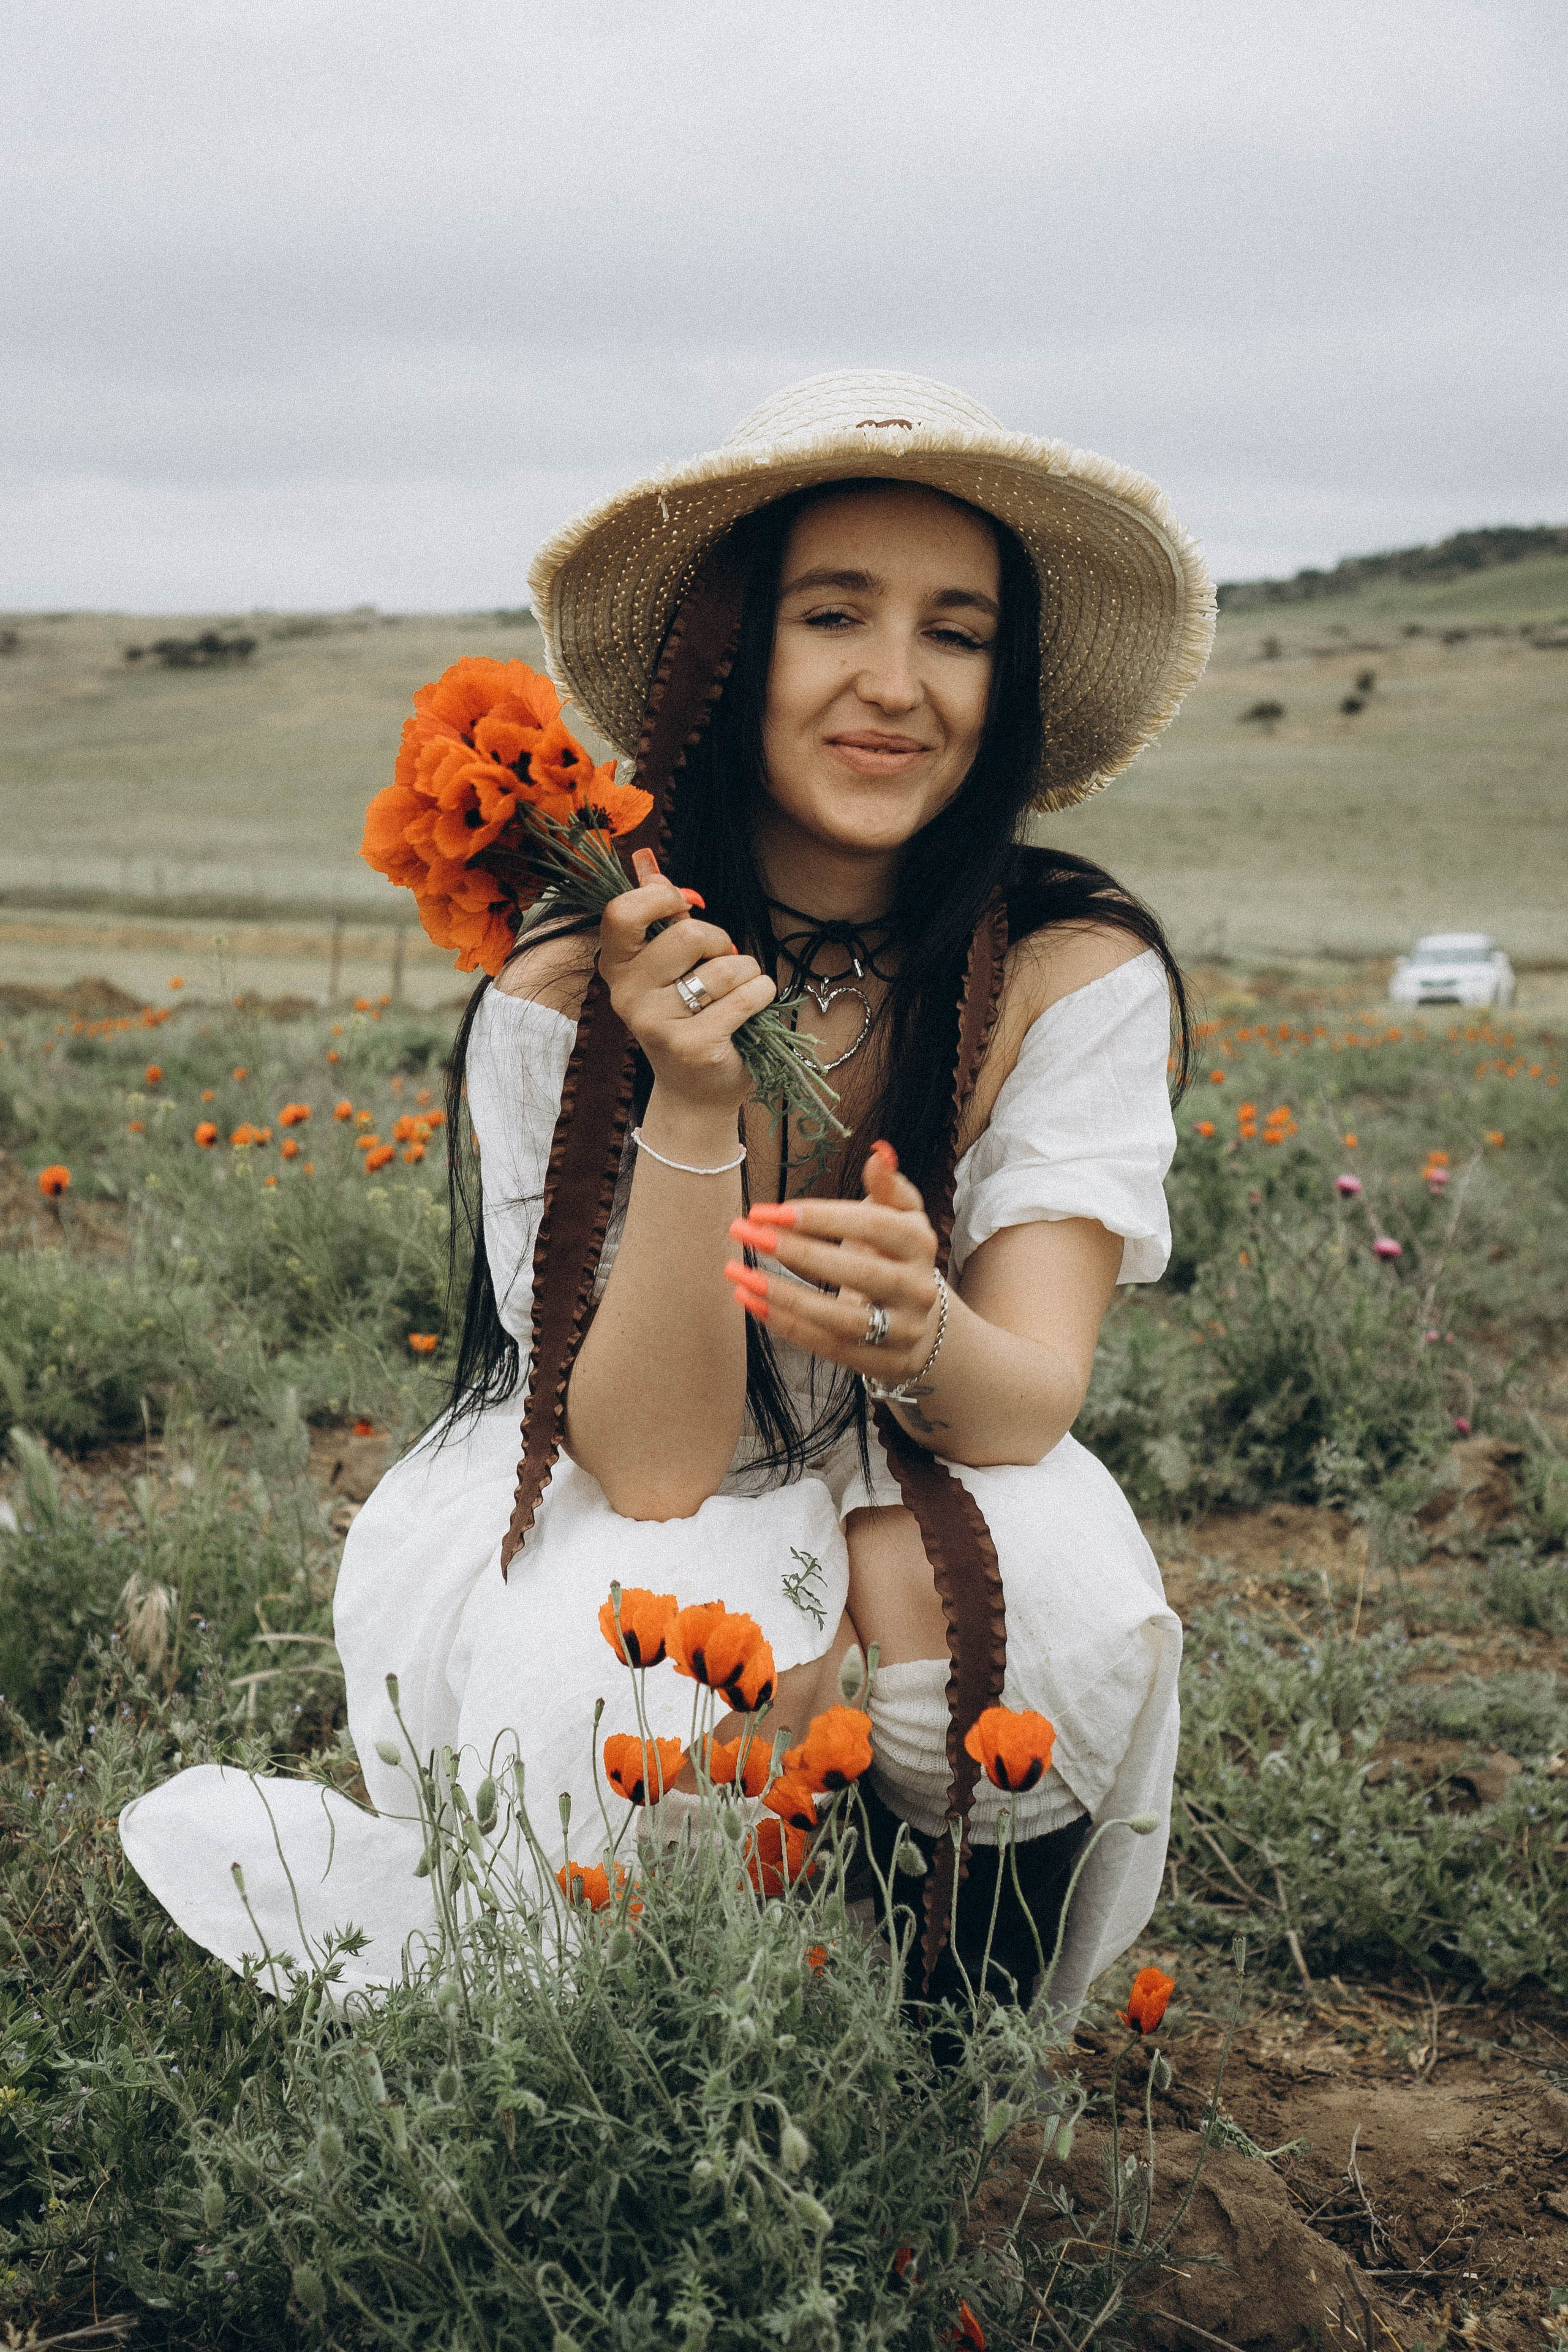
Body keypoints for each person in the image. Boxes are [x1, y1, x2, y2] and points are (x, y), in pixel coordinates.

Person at [121, 369, 1214, 2021]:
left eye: (959, 631)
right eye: (831, 613)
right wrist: (694, 1107)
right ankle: (673, 2062)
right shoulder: (565, 993)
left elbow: (1024, 1404)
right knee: (621, 1661)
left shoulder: (1068, 968)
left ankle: (950, 2067)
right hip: (632, 1459)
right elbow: (647, 1463)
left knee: (1054, 1592)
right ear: (728, 648)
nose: (894, 685)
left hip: (927, 1447)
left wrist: (923, 1333)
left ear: (1012, 676)